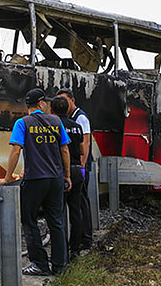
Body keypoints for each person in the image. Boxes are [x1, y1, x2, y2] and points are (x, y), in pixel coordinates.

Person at [0, 88, 72, 276]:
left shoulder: (22, 123)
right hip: (55, 179)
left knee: (29, 220)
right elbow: (64, 151)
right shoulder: (56, 121)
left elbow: (15, 150)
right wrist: (67, 176)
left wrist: (7, 177)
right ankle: (60, 265)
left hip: (35, 179)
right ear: (40, 104)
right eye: (45, 102)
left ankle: (40, 264)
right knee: (56, 221)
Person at [56, 89, 93, 249]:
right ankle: (77, 244)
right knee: (76, 207)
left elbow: (86, 143)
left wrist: (82, 167)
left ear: (72, 100)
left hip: (76, 168)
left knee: (80, 204)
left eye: (65, 100)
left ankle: (85, 238)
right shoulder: (72, 121)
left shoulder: (81, 118)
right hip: (76, 168)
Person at [51, 95, 86, 258]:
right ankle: (76, 249)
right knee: (76, 211)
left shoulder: (54, 126)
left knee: (58, 213)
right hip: (77, 170)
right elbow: (83, 151)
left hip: (61, 172)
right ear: (68, 108)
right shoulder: (77, 126)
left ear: (52, 110)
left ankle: (61, 249)